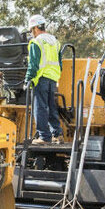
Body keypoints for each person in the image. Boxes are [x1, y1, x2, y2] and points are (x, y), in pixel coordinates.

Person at [24, 14, 62, 144]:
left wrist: (28, 79)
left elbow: (33, 64)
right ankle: (56, 134)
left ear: (35, 28)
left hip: (40, 78)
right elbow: (59, 62)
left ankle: (44, 137)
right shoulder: (55, 41)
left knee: (40, 107)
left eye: (31, 30)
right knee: (51, 106)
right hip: (53, 78)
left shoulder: (36, 42)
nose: (32, 33)